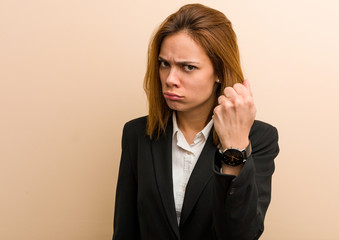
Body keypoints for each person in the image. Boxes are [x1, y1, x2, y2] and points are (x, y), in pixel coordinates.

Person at [112, 3, 279, 240]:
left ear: (219, 71)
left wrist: (234, 145)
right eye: (164, 64)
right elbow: (125, 230)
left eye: (188, 67)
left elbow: (241, 234)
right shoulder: (136, 134)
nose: (170, 79)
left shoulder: (260, 138)